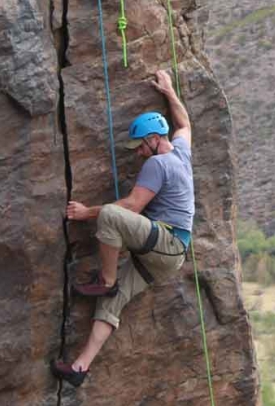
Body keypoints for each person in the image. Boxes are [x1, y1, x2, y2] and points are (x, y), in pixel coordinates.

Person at [51, 70, 194, 388]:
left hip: (165, 243)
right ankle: (79, 368)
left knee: (111, 216)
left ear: (154, 139)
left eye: (141, 146)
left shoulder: (158, 164)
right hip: (170, 255)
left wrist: (87, 212)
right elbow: (184, 124)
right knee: (111, 304)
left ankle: (108, 279)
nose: (138, 152)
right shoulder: (182, 154)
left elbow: (130, 207)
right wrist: (169, 91)